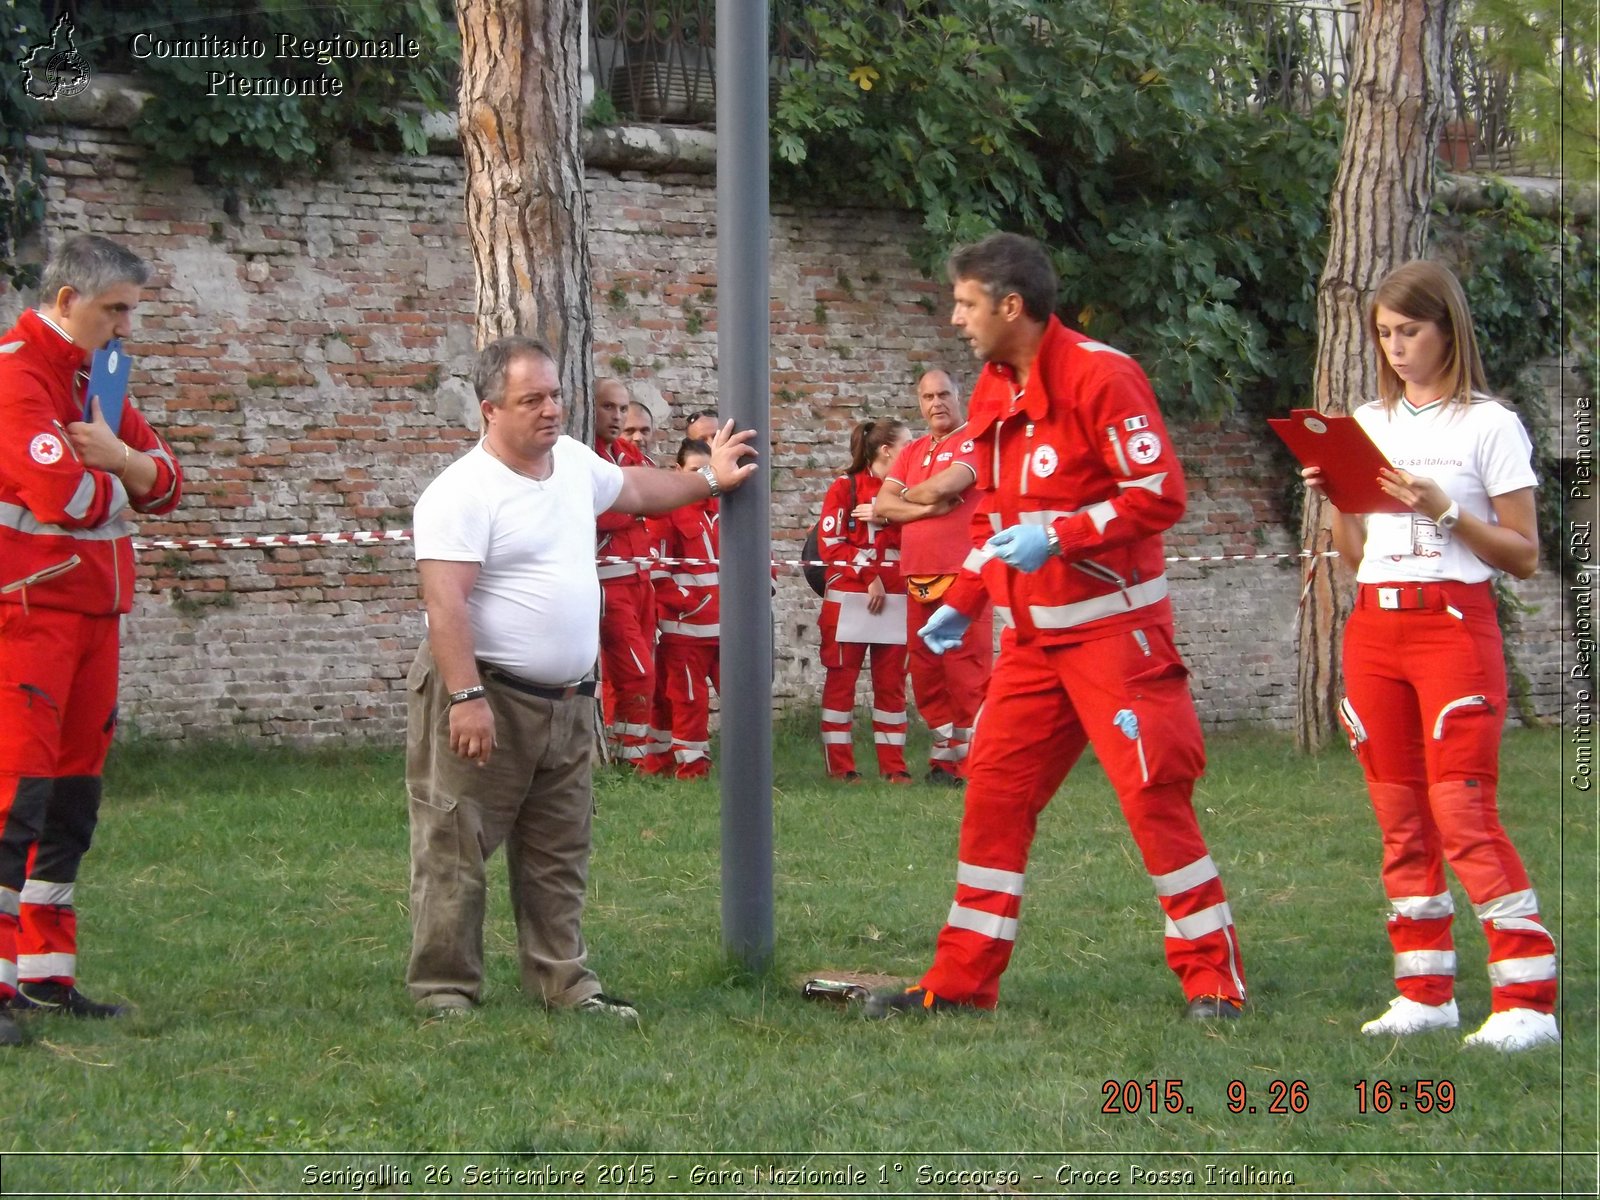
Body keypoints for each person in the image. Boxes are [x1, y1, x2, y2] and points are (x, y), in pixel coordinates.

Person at [867, 232, 1246, 1020]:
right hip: (1034, 646)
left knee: (1154, 799)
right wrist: (964, 602)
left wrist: (1065, 533)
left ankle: (1215, 981)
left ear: (1012, 306)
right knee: (992, 798)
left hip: (1117, 641)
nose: (956, 317)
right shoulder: (991, 389)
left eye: (967, 303)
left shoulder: (1104, 376)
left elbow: (1159, 493)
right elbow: (998, 520)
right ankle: (962, 983)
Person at [406, 337, 755, 1020]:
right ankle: (444, 987)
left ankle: (562, 981)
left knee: (559, 849)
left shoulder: (570, 463)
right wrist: (466, 696)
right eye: (530, 400)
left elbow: (638, 490)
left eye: (556, 395)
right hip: (489, 693)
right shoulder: (460, 493)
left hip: (566, 700)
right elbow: (444, 603)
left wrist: (709, 479)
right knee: (456, 841)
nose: (551, 410)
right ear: (489, 411)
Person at [1303, 259, 1557, 1051]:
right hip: (1376, 626)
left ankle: (1527, 1000)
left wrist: (1446, 510)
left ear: (1447, 328)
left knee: (1463, 813)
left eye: (1409, 331)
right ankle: (1424, 991)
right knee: (1399, 815)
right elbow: (1354, 554)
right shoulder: (1371, 421)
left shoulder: (1490, 424)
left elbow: (1522, 555)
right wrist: (1338, 496)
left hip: (1453, 622)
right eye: (1384, 334)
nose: (1396, 346)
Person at [0, 234, 184, 1046]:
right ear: (69, 300)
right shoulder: (17, 372)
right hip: (29, 616)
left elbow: (170, 482)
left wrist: (119, 462)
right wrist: (125, 473)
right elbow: (65, 494)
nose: (124, 329)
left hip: (94, 616)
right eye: (115, 312)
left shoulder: (94, 378)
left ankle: (46, 976)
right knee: (16, 799)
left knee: (72, 801)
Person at [873, 368, 994, 786]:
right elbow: (883, 505)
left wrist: (912, 496)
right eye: (928, 397)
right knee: (927, 672)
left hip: (965, 575)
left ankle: (976, 765)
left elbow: (948, 484)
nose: (936, 403)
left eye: (943, 394)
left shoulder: (975, 438)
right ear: (919, 402)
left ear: (958, 397)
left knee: (966, 671)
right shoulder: (912, 450)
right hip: (916, 576)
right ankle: (944, 761)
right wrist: (925, 508)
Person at [817, 418, 913, 783]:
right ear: (886, 450)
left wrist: (889, 514)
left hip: (897, 601)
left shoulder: (908, 490)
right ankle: (841, 768)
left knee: (892, 687)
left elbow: (921, 532)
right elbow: (830, 544)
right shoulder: (845, 487)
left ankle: (895, 768)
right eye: (908, 443)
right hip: (850, 603)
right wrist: (867, 574)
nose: (915, 449)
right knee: (841, 685)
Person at [642, 439, 721, 779]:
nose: (703, 479)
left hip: (730, 629)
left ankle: (743, 759)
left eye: (709, 471)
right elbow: (657, 572)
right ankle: (691, 765)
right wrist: (691, 603)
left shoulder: (730, 509)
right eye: (695, 472)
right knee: (688, 699)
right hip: (686, 631)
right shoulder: (667, 513)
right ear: (678, 472)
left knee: (744, 697)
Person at [593, 379, 657, 770]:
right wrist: (636, 508)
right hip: (610, 583)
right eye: (608, 408)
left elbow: (660, 499)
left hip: (641, 579)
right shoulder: (585, 457)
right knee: (638, 673)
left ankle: (628, 756)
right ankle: (630, 763)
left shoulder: (629, 454)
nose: (617, 416)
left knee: (632, 672)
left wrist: (635, 506)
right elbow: (597, 512)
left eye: (622, 408)